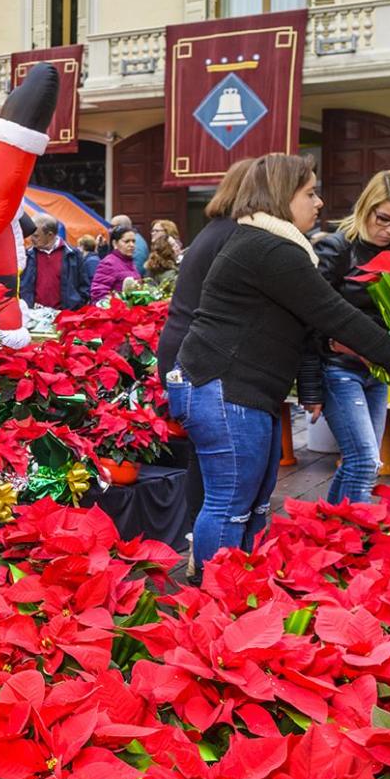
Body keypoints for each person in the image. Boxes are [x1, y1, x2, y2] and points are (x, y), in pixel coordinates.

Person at [171, 153, 390, 563]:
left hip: (241, 388)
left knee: (251, 504)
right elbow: (332, 313)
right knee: (230, 505)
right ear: (281, 195)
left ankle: (236, 588)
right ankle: (211, 594)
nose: (319, 203)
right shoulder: (269, 248)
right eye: (310, 192)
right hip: (226, 387)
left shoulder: (272, 243)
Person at [303, 170, 390, 504]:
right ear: (366, 207)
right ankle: (356, 539)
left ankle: (331, 531)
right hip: (339, 368)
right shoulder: (337, 247)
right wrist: (311, 382)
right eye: (384, 219)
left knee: (362, 460)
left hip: (377, 371)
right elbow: (312, 316)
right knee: (366, 461)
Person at [154, 158, 256, 528]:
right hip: (197, 355)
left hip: (182, 349)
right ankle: (208, 542)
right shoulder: (233, 235)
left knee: (204, 454)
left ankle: (201, 536)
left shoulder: (215, 230)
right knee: (216, 460)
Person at [21, 213, 86, 310]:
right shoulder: (27, 255)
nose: (31, 239)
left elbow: (85, 285)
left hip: (65, 316)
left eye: (36, 236)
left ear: (50, 235)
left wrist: (77, 305)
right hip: (34, 316)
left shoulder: (73, 255)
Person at [90, 226, 141, 300]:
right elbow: (98, 293)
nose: (132, 245)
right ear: (115, 243)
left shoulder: (130, 262)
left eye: (133, 241)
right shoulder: (108, 263)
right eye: (127, 241)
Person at [146, 219, 184, 287]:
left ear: (168, 232)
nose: (152, 233)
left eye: (156, 231)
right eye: (152, 231)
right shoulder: (154, 252)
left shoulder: (177, 253)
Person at [67, 235, 101, 309]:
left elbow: (93, 281)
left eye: (78, 246)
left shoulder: (91, 261)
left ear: (82, 246)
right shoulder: (91, 259)